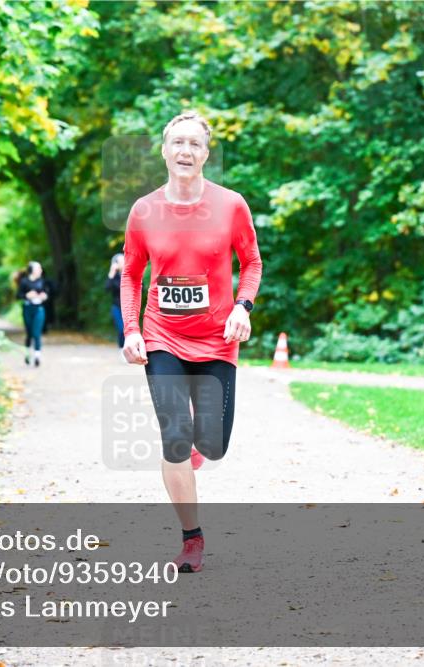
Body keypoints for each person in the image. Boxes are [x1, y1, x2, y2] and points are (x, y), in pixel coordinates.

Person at [120, 110, 262, 573]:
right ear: (164, 150)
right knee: (174, 437)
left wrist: (243, 306)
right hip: (163, 335)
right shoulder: (143, 211)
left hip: (218, 338)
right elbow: (132, 276)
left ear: (206, 154)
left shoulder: (231, 205)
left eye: (195, 145)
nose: (185, 151)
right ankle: (192, 539)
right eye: (177, 143)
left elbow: (252, 263)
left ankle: (202, 447)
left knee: (214, 444)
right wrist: (132, 330)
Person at [16, 261, 49, 367]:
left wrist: (44, 296)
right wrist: (27, 295)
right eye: (38, 268)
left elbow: (47, 293)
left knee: (37, 333)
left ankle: (37, 356)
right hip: (27, 308)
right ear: (32, 270)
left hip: (39, 308)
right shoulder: (24, 282)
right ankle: (27, 353)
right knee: (29, 333)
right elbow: (18, 295)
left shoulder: (42, 282)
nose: (40, 270)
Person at [106, 253, 126, 349]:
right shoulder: (114, 276)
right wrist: (111, 272)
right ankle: (122, 348)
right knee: (121, 329)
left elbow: (140, 287)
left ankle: (125, 347)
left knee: (128, 329)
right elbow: (107, 288)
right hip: (117, 307)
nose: (123, 262)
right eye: (121, 261)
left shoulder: (129, 274)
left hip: (128, 307)